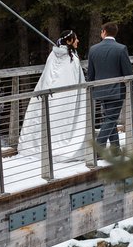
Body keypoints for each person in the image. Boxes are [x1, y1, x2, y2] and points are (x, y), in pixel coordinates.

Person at [17, 30, 88, 161]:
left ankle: (41, 146)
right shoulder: (70, 58)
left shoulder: (54, 54)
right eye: (75, 38)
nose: (78, 41)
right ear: (68, 41)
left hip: (50, 96)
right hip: (64, 99)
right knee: (60, 121)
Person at [86, 21, 133, 152]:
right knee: (111, 118)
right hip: (116, 90)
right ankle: (99, 149)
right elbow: (128, 72)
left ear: (104, 32)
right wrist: (131, 89)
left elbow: (90, 74)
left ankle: (115, 149)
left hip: (99, 90)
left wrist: (91, 88)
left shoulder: (93, 49)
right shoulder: (121, 48)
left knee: (109, 118)